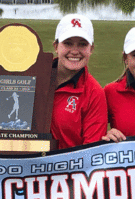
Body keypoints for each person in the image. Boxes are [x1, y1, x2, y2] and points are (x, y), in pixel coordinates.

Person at [51, 14, 107, 149]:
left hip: (68, 169)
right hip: (27, 165)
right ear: (56, 46)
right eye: (68, 43)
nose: (75, 51)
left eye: (82, 44)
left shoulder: (94, 93)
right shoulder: (33, 77)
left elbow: (90, 152)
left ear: (91, 49)